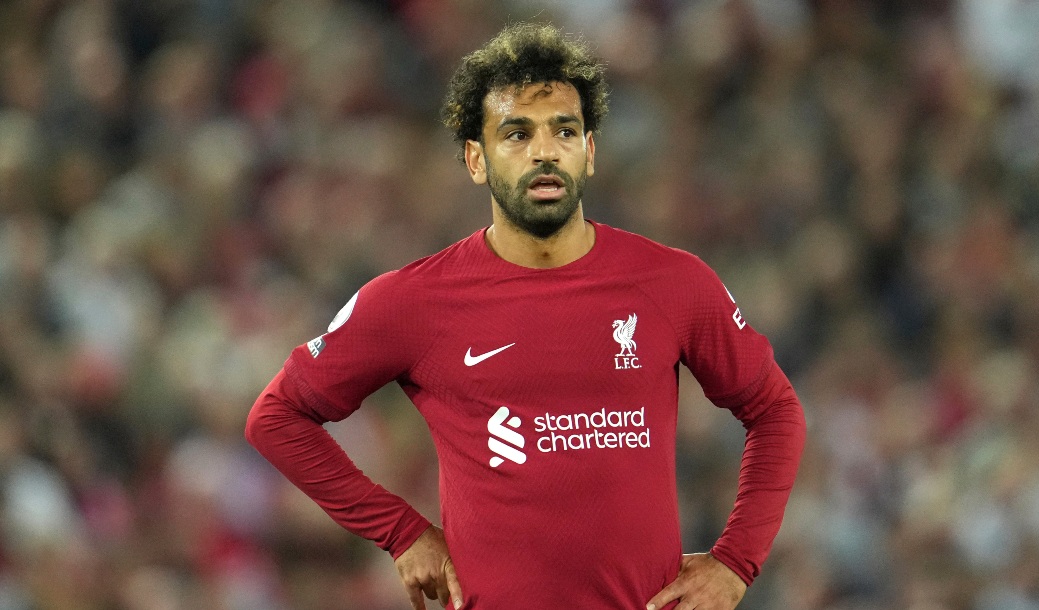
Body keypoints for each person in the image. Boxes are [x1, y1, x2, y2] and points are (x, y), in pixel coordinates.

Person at [246, 23, 806, 610]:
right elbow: (277, 418)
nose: (544, 151)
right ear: (475, 159)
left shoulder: (674, 282)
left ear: (588, 152)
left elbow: (774, 409)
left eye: (564, 130)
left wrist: (735, 563)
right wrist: (401, 532)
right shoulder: (412, 300)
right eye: (516, 133)